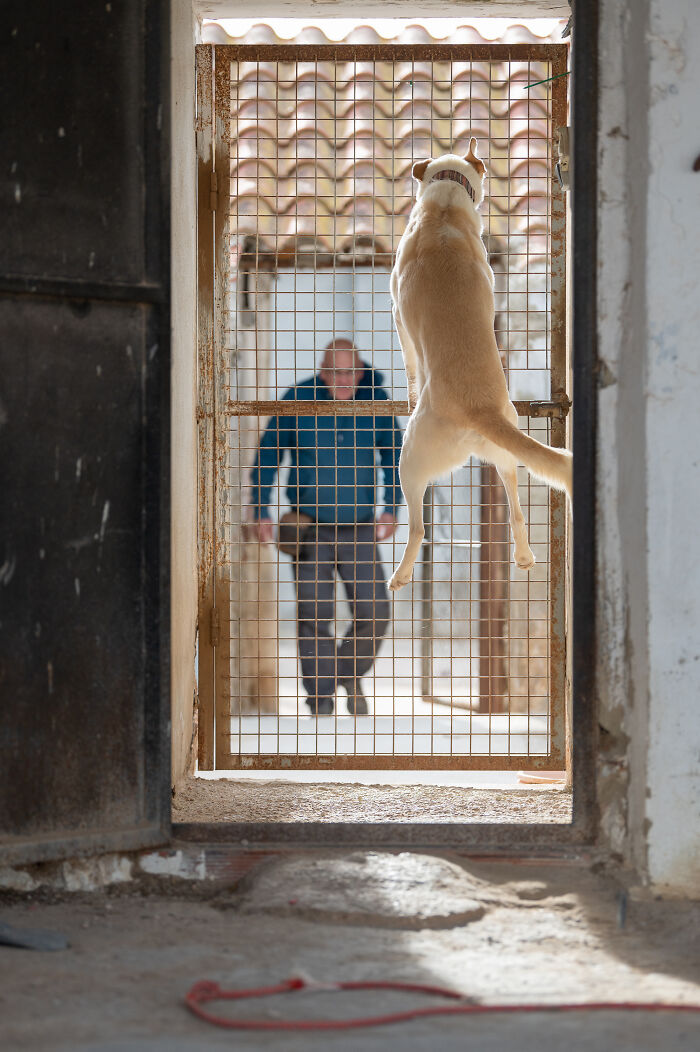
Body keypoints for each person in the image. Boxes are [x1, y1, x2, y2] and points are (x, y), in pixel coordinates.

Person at [250, 339, 403, 715]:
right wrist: (261, 509)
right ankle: (320, 699)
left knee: (375, 613)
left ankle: (345, 674)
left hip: (360, 528)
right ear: (322, 372)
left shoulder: (377, 401)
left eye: (350, 372)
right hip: (310, 528)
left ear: (361, 372)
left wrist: (391, 508)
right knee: (314, 615)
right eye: (335, 372)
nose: (343, 380)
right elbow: (268, 455)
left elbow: (396, 457)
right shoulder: (297, 399)